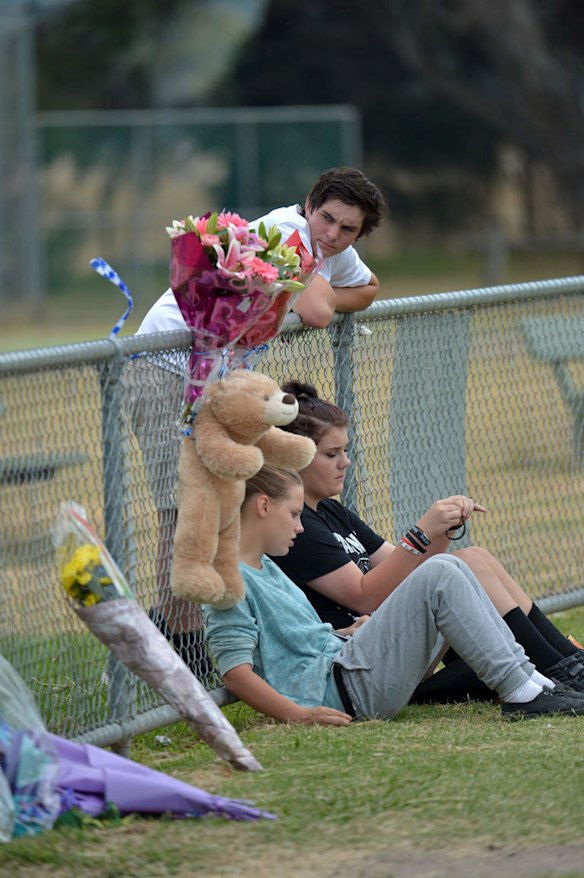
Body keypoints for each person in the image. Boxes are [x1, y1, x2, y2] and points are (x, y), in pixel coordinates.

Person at [125, 168, 386, 667]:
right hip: (167, 370)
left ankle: (205, 639)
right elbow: (316, 314)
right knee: (181, 510)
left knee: (224, 503)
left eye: (347, 229)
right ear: (309, 204)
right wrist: (326, 295)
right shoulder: (287, 233)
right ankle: (173, 646)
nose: (332, 234)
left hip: (218, 382)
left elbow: (369, 287)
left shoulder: (327, 248)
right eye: (326, 219)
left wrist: (328, 290)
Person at [270, 381, 584, 703]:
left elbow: (405, 568)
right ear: (295, 456)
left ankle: (567, 663)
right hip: (366, 659)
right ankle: (559, 669)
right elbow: (363, 597)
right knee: (463, 565)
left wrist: (441, 531)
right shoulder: (298, 526)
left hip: (392, 643)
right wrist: (420, 533)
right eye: (331, 454)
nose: (345, 462)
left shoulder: (330, 510)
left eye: (346, 451)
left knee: (473, 556)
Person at [204, 465, 584, 723]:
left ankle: (534, 682)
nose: (301, 527)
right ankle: (522, 691)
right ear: (263, 506)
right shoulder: (227, 581)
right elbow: (236, 673)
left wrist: (348, 634)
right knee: (440, 572)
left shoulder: (265, 565)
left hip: (347, 666)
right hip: (340, 690)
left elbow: (297, 640)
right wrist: (298, 715)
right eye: (293, 515)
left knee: (454, 566)